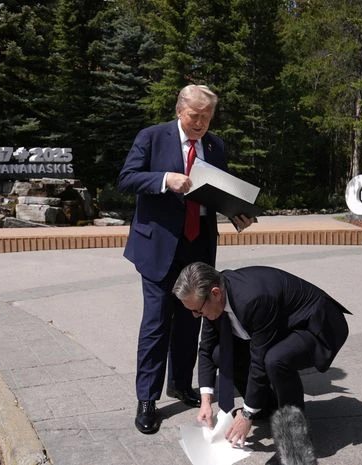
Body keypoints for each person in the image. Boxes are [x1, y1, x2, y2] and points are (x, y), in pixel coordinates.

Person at [118, 84, 254, 434]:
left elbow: (218, 191)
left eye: (207, 117)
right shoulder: (152, 137)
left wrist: (235, 212)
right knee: (156, 323)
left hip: (198, 246)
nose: (200, 123)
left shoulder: (215, 146)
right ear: (180, 110)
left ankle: (180, 383)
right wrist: (166, 179)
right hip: (159, 248)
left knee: (192, 320)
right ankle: (147, 399)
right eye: (195, 115)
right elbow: (127, 178)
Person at [172, 261, 351, 447]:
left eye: (198, 310)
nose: (195, 315)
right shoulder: (213, 299)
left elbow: (259, 360)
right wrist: (206, 402)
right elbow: (207, 349)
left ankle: (295, 433)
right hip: (279, 326)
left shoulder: (253, 299)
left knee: (275, 360)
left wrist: (246, 414)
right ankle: (264, 406)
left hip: (315, 325)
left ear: (215, 293)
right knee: (220, 354)